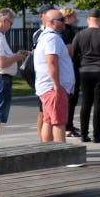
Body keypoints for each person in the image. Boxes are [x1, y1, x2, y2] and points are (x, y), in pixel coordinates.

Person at [0, 8, 27, 149]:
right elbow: (1, 63)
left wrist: (15, 55)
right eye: (11, 23)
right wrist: (17, 57)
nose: (11, 27)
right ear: (4, 20)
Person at [33, 9, 75, 142]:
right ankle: (61, 154)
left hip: (48, 87)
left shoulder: (45, 36)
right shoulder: (52, 38)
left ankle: (48, 152)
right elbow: (51, 61)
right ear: (52, 22)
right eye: (61, 20)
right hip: (54, 87)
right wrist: (57, 85)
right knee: (58, 122)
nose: (64, 22)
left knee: (48, 120)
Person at [71, 8, 100, 143]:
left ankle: (83, 134)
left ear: (88, 19)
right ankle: (97, 134)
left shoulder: (80, 35)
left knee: (86, 104)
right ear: (99, 19)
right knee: (99, 105)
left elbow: (74, 54)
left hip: (85, 71)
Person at [33, 4, 56, 138]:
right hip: (45, 78)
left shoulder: (55, 32)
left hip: (50, 78)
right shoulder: (40, 34)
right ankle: (43, 139)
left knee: (49, 114)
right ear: (42, 16)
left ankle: (47, 138)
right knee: (44, 113)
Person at [60, 7, 81, 138]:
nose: (76, 19)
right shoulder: (67, 32)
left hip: (70, 67)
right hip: (71, 68)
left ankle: (69, 123)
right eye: (74, 16)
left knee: (71, 99)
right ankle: (68, 126)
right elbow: (70, 50)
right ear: (67, 18)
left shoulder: (67, 31)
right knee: (71, 99)